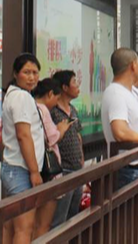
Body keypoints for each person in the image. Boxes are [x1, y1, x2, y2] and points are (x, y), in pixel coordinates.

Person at [101, 48, 138, 236]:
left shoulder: (125, 93)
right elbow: (119, 131)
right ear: (134, 65)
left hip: (136, 168)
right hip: (131, 169)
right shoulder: (117, 94)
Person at [1, 53, 45, 244]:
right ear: (15, 73)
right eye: (26, 72)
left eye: (35, 72)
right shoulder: (21, 97)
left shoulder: (13, 95)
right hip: (21, 170)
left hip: (13, 168)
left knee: (10, 226)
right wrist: (34, 171)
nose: (32, 77)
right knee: (24, 228)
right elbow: (23, 135)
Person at [31, 78, 72, 238]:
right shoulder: (43, 110)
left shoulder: (31, 106)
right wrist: (61, 128)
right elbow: (52, 137)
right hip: (49, 172)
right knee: (44, 224)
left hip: (36, 168)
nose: (56, 103)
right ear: (50, 94)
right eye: (56, 98)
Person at [50, 70, 85, 228]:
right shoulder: (53, 111)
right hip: (62, 171)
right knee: (59, 219)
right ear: (64, 87)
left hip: (77, 169)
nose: (77, 86)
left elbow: (78, 135)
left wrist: (81, 157)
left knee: (73, 216)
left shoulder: (73, 110)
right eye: (74, 82)